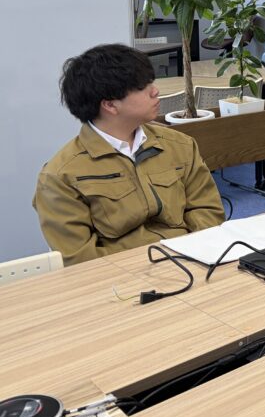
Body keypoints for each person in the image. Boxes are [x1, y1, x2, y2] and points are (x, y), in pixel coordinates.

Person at [33, 44, 225, 266]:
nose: (155, 91)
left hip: (193, 263)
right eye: (143, 87)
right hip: (121, 280)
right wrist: (155, 261)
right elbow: (80, 259)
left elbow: (208, 211)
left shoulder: (179, 145)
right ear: (110, 105)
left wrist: (190, 253)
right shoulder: (60, 176)